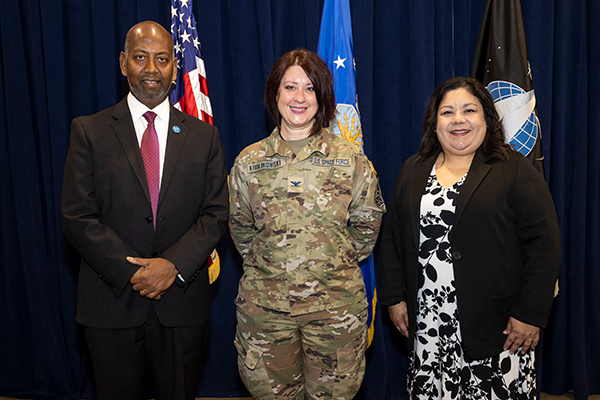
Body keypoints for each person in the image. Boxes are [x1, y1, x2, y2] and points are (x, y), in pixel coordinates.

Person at [61, 21, 228, 400]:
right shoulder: (89, 131)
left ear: (174, 67)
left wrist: (172, 265)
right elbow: (77, 215)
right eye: (140, 57)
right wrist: (134, 272)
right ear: (123, 64)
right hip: (111, 303)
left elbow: (215, 212)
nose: (152, 69)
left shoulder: (205, 137)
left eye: (162, 59)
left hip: (182, 306)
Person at [380, 77, 561, 399]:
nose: (458, 119)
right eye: (447, 112)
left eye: (469, 110)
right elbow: (393, 238)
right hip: (428, 327)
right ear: (434, 124)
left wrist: (530, 314)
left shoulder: (514, 170)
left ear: (487, 119)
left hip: (498, 328)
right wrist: (394, 298)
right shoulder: (413, 169)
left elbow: (544, 246)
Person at [228, 48, 386, 399]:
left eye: (310, 88)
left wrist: (326, 267)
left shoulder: (351, 161)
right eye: (290, 87)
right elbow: (240, 230)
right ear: (275, 94)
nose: (299, 98)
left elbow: (365, 231)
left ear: (323, 96)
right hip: (266, 313)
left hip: (335, 313)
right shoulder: (248, 162)